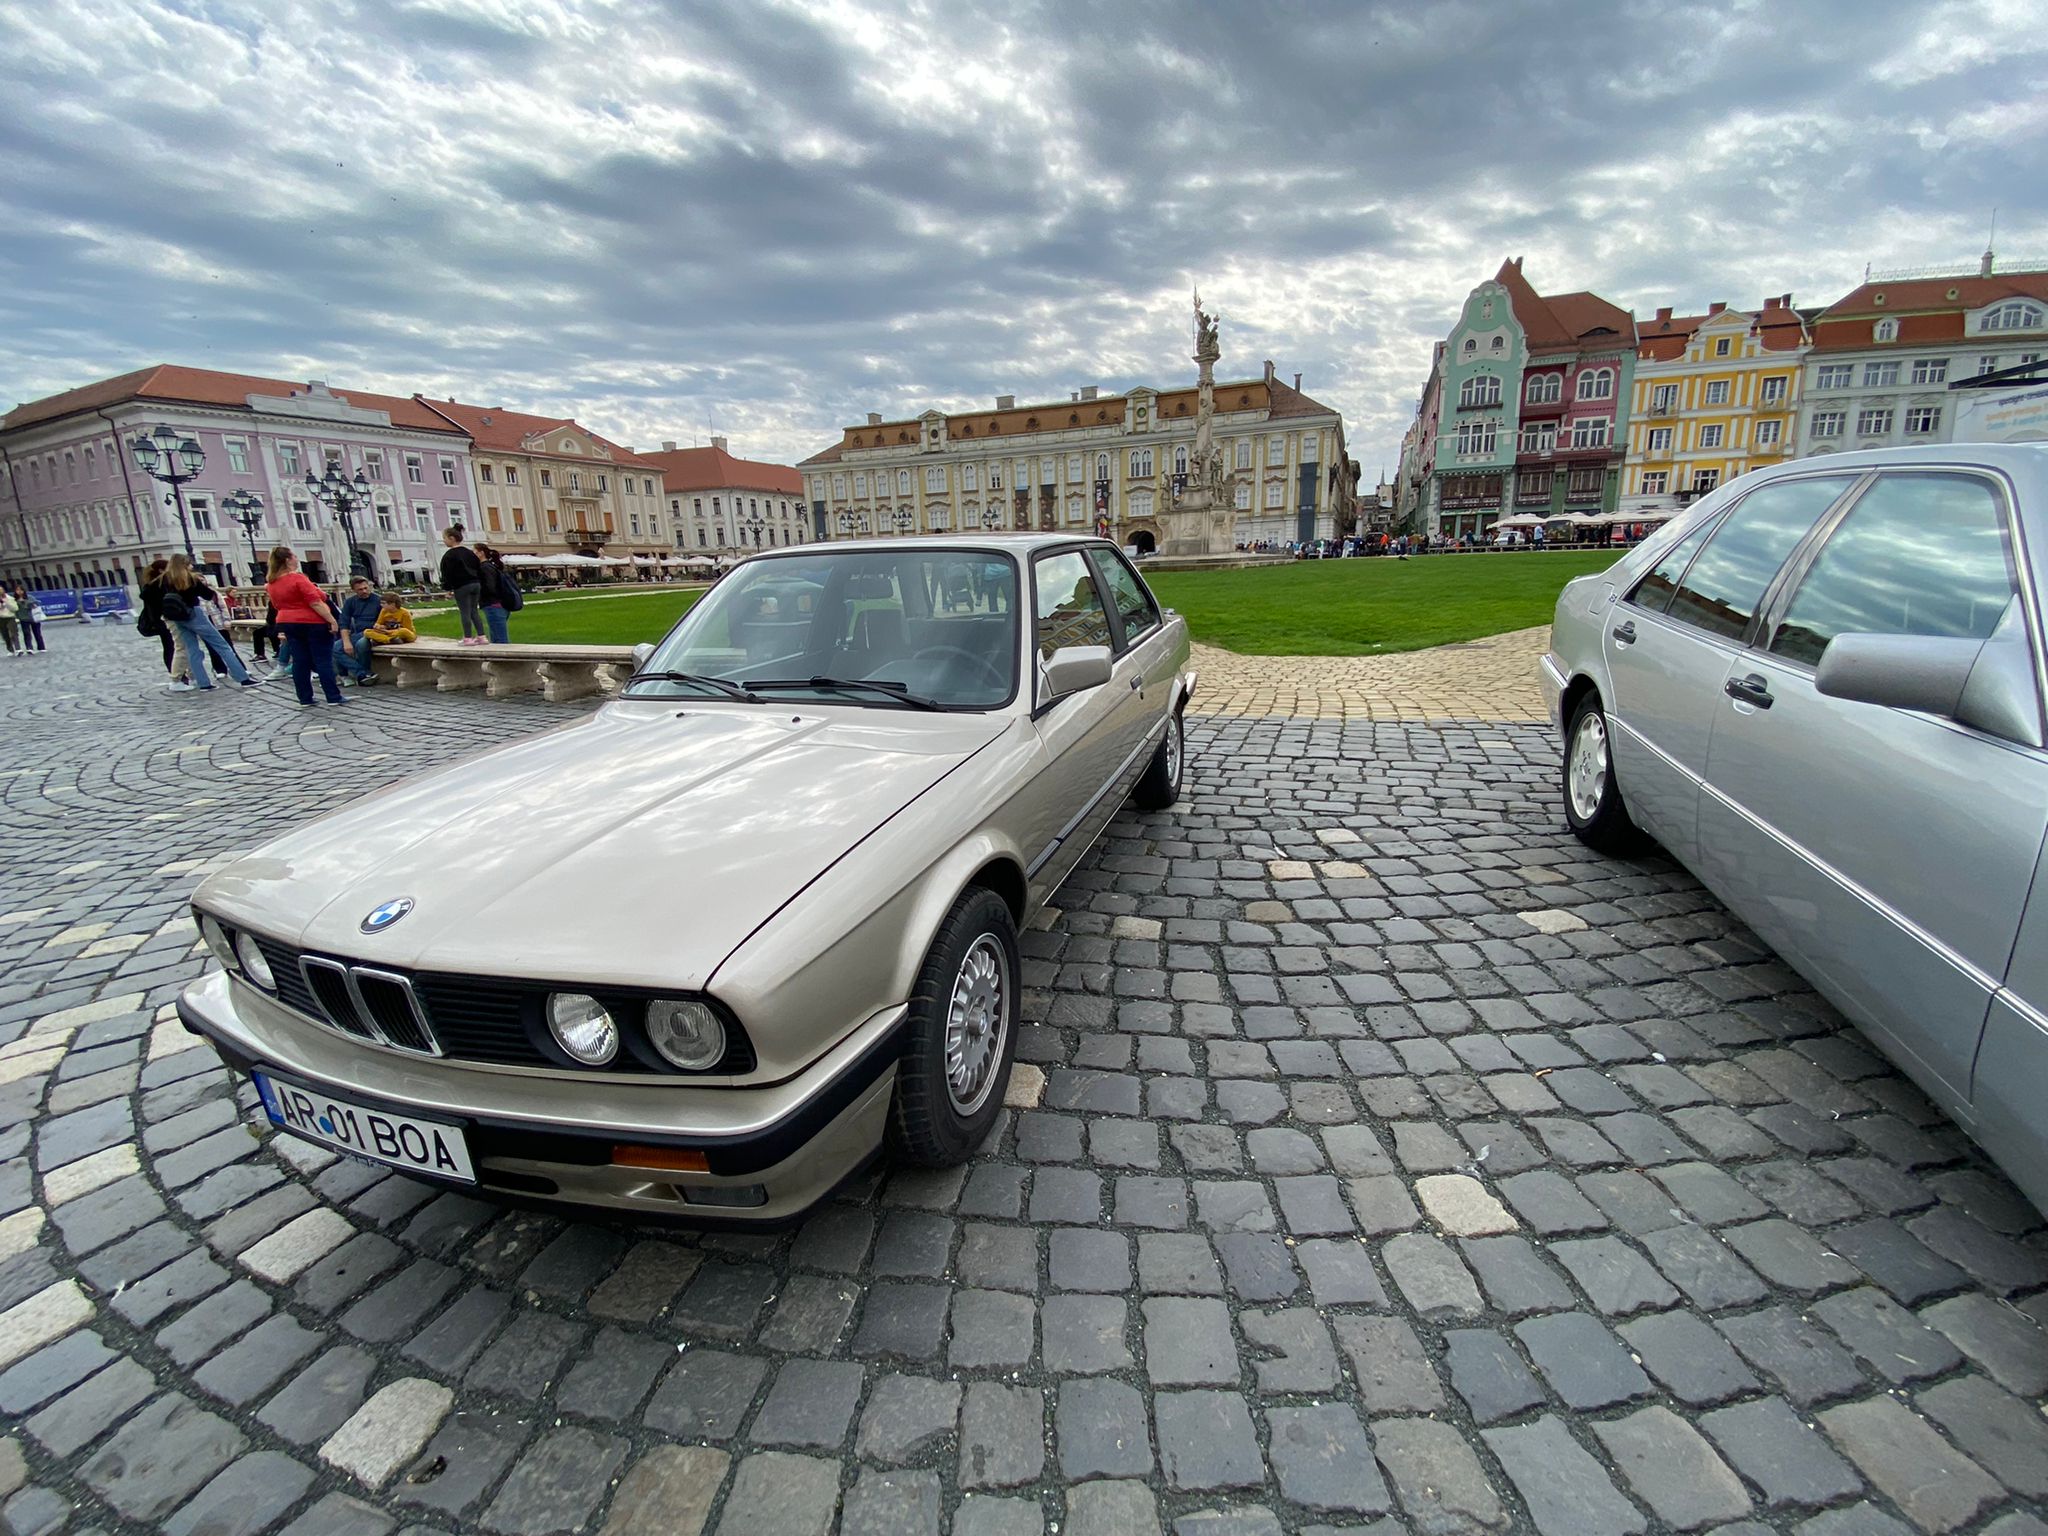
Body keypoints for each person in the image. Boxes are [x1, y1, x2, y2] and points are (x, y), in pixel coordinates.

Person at [265, 547, 349, 706]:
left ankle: (305, 698)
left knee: (299, 660)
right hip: (312, 622)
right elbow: (315, 602)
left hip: (287, 622)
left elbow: (276, 605)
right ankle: (333, 696)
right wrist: (331, 620)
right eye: (295, 556)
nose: (297, 559)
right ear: (288, 560)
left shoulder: (271, 583)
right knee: (323, 660)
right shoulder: (298, 579)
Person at [161, 555, 256, 691]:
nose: (192, 567)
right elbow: (207, 595)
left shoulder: (166, 579)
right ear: (185, 565)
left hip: (177, 617)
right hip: (194, 613)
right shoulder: (190, 578)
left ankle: (203, 683)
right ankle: (242, 678)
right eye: (189, 564)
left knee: (192, 649)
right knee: (222, 646)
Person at [439, 526, 486, 645]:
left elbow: (447, 573)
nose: (443, 541)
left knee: (465, 611)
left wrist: (447, 588)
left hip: (462, 585)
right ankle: (481, 636)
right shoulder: (470, 553)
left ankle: (468, 638)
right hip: (475, 583)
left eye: (444, 538)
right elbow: (479, 568)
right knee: (474, 610)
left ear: (451, 538)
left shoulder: (449, 555)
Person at [333, 575, 383, 685]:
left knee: (361, 644)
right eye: (360, 589)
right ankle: (362, 673)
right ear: (353, 590)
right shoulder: (350, 602)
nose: (364, 591)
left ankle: (361, 674)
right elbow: (344, 622)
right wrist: (346, 642)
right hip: (359, 633)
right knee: (336, 647)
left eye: (366, 588)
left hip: (374, 633)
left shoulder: (378, 600)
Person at [474, 542, 517, 644]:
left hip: (493, 604)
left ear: (481, 553)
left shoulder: (485, 568)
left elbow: (490, 587)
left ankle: (504, 659)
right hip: (498, 605)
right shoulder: (492, 566)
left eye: (474, 552)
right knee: (496, 637)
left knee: (500, 640)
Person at [11, 584, 45, 653]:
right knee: (26, 633)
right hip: (23, 618)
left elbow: (37, 603)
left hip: (33, 618)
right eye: (17, 590)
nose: (19, 592)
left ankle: (41, 647)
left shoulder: (29, 597)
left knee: (37, 633)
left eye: (21, 590)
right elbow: (14, 608)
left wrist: (30, 604)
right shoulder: (14, 600)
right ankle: (29, 648)